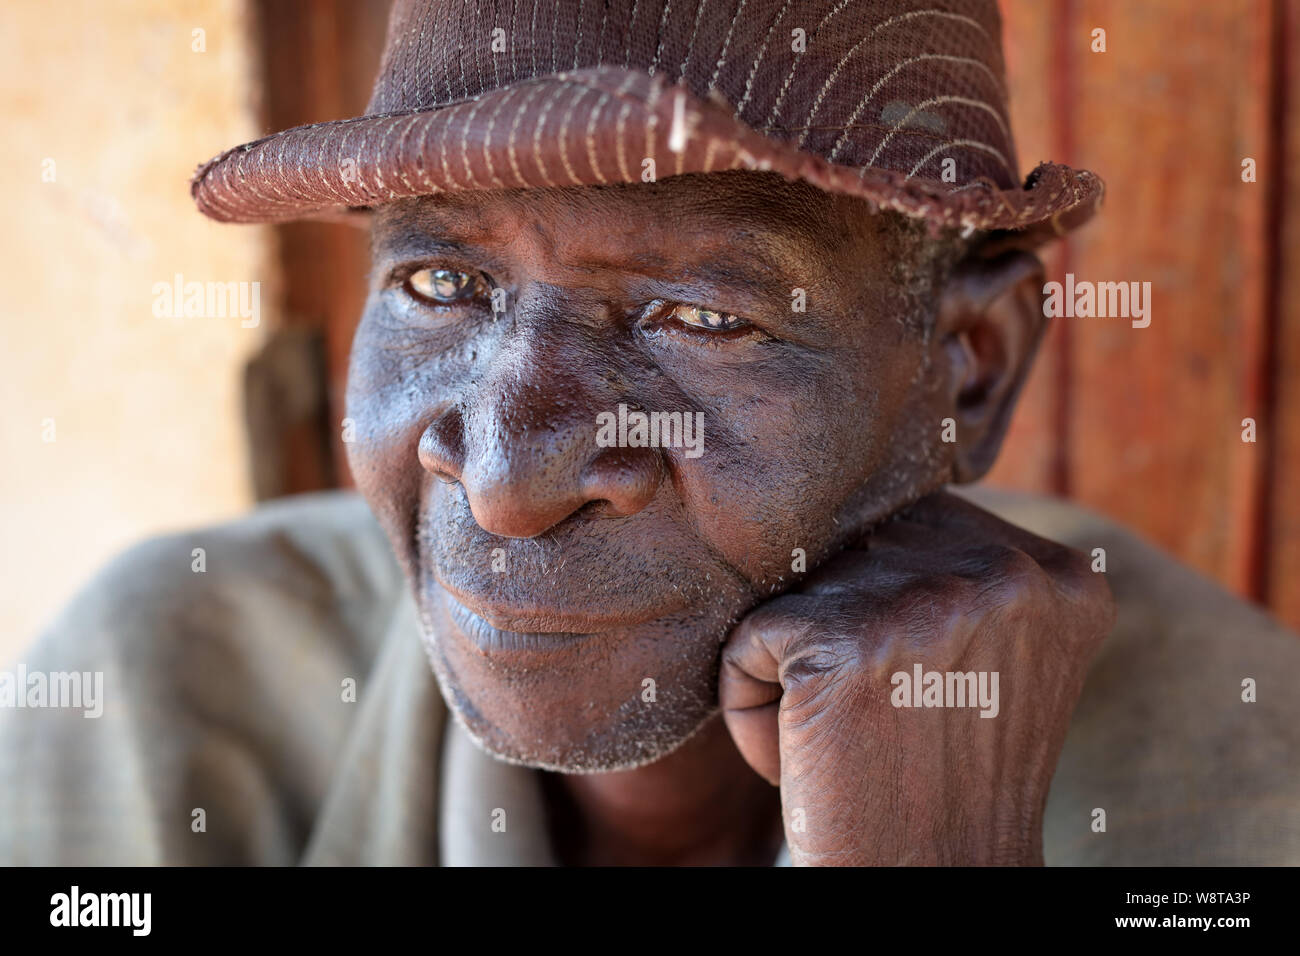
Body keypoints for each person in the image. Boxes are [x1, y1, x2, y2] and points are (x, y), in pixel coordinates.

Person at [3, 0, 1298, 866]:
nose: (506, 480)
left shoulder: (1239, 770)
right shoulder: (161, 700)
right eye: (440, 287)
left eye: (695, 315)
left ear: (969, 368)